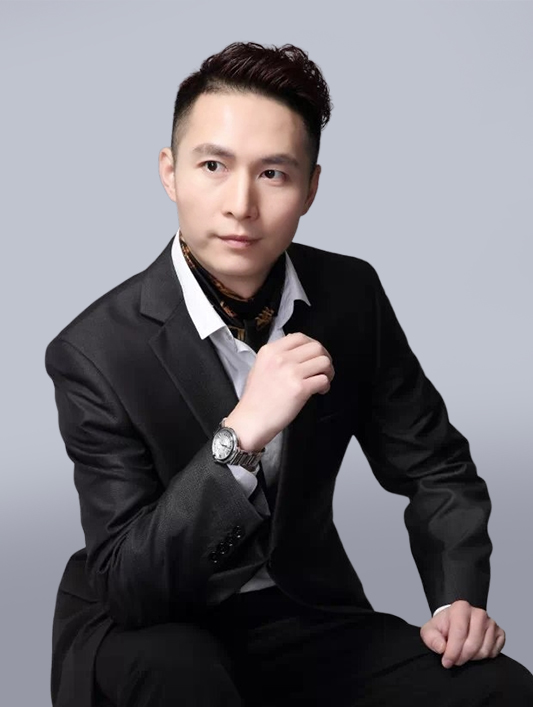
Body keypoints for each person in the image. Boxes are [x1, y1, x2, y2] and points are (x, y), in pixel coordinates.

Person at [45, 42, 533, 707]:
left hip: (298, 608)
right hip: (150, 622)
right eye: (213, 166)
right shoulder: (94, 351)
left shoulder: (349, 296)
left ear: (310, 188)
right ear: (170, 172)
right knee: (184, 678)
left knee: (498, 688)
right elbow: (132, 583)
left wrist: (457, 599)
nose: (240, 204)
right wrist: (241, 433)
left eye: (273, 173)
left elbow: (435, 467)